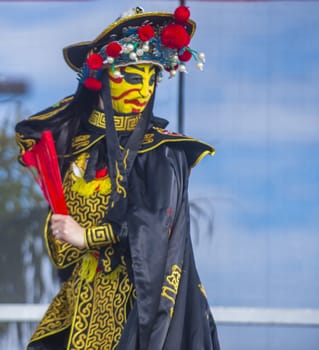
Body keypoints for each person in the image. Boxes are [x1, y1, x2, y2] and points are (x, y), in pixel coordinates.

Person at [15, 5, 220, 350]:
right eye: (131, 77)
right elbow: (65, 246)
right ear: (103, 80)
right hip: (81, 300)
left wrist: (87, 236)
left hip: (137, 305)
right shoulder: (77, 146)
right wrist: (62, 230)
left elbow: (154, 225)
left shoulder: (163, 152)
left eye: (150, 79)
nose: (142, 92)